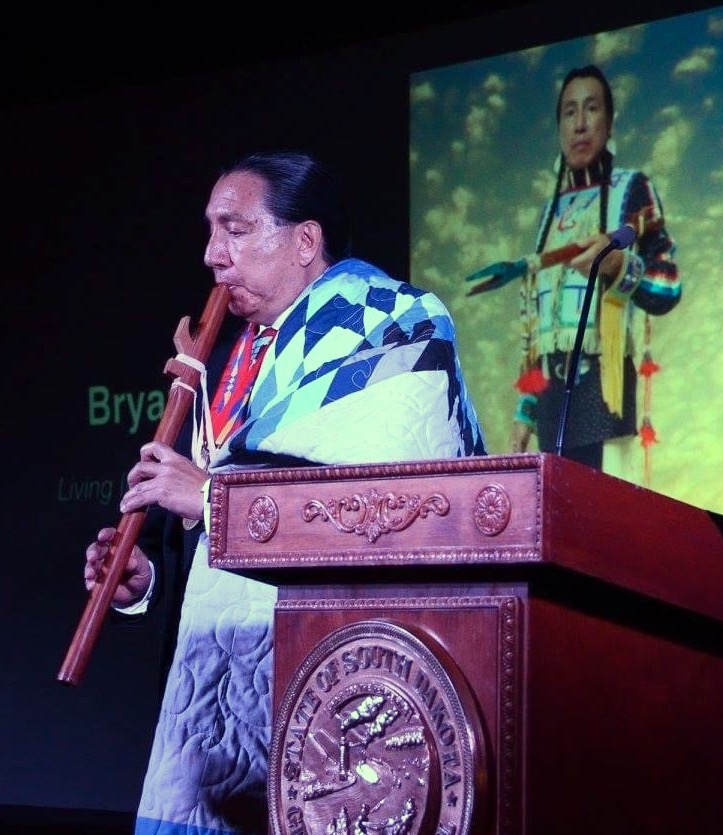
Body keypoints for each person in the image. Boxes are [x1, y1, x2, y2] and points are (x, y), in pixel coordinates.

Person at [83, 149, 486, 835]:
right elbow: (204, 546)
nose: (212, 254)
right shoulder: (226, 358)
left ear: (304, 240)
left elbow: (392, 514)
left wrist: (212, 500)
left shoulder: (397, 324)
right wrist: (145, 581)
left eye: (235, 229)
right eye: (211, 230)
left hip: (348, 690)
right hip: (218, 702)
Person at [509, 64, 681, 473]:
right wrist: (525, 412)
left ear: (610, 121)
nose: (580, 124)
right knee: (554, 506)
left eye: (591, 108)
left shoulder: (631, 188)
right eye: (569, 112)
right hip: (552, 404)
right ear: (559, 127)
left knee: (603, 508)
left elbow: (668, 286)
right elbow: (539, 329)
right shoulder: (551, 213)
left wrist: (618, 264)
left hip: (604, 391)